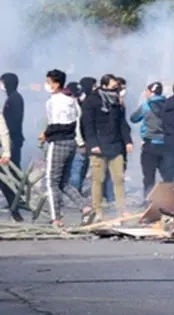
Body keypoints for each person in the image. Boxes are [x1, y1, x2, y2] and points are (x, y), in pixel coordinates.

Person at [40, 69, 90, 226]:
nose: (47, 85)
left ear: (56, 84)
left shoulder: (54, 102)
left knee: (51, 181)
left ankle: (56, 218)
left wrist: (45, 135)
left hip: (58, 142)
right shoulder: (71, 100)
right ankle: (86, 207)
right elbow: (76, 121)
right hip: (71, 142)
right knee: (64, 182)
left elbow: (56, 125)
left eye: (49, 82)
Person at [81, 73, 133, 220]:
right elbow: (87, 125)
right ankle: (98, 211)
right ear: (103, 86)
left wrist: (128, 141)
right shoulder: (91, 101)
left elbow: (122, 123)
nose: (116, 90)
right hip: (98, 147)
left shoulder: (117, 102)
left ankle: (121, 211)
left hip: (116, 146)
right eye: (113, 87)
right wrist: (93, 144)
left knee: (119, 179)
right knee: (98, 180)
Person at [129, 82, 168, 198]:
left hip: (150, 145)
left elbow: (133, 118)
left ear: (151, 92)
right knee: (167, 175)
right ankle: (169, 199)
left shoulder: (145, 106)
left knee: (149, 176)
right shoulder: (168, 105)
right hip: (166, 145)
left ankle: (148, 199)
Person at [1, 72, 24, 220]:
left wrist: (7, 148)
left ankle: (16, 205)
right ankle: (15, 205)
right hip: (10, 142)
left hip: (11, 142)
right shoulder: (13, 98)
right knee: (6, 178)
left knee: (8, 177)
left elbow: (9, 127)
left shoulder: (14, 99)